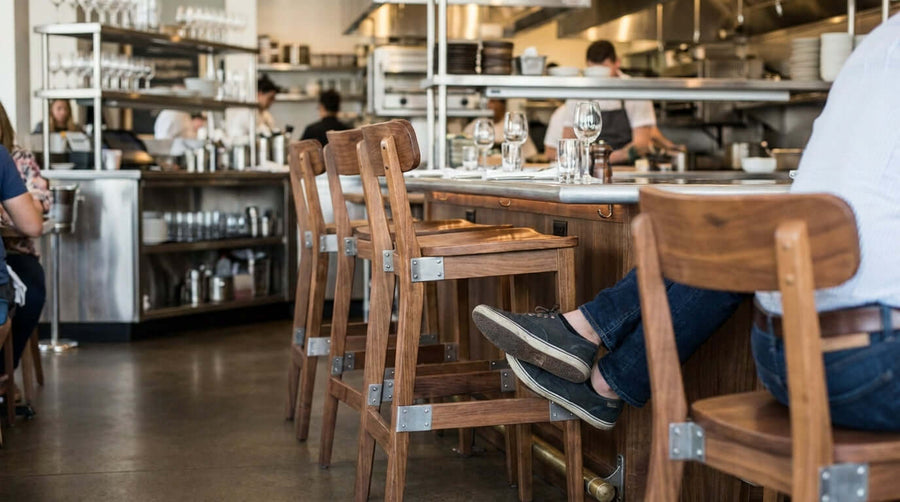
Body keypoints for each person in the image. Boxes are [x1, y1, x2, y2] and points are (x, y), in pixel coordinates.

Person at [473, 14, 900, 433]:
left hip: (777, 355)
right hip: (866, 364)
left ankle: (595, 362)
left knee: (730, 247)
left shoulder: (876, 43)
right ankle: (585, 340)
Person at [543, 41, 678, 163]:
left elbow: (641, 145)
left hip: (628, 169)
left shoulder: (634, 90)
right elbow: (569, 142)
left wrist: (601, 159)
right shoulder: (578, 93)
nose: (599, 76)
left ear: (617, 63)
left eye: (604, 69)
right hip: (589, 170)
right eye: (594, 70)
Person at [0, 102, 47, 395]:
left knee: (31, 292)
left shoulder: (19, 158)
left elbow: (38, 207)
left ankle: (6, 370)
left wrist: (9, 208)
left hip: (16, 250)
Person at [463, 99, 538, 159]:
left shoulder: (513, 125)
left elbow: (531, 155)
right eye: (489, 102)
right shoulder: (477, 123)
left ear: (503, 105)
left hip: (507, 168)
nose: (489, 105)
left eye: (493, 102)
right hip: (483, 167)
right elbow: (463, 144)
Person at [227, 74, 280, 140]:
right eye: (270, 98)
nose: (272, 102)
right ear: (259, 94)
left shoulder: (265, 114)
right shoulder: (245, 113)